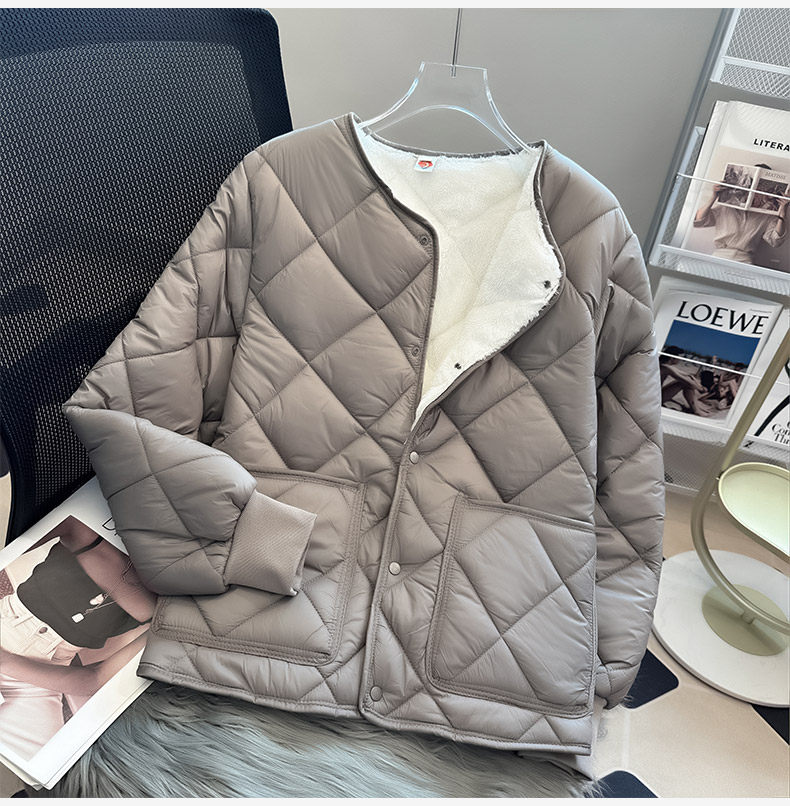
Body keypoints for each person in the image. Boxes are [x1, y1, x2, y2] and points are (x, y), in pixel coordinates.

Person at [0, 516, 156, 761]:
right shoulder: (86, 534)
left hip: (38, 670)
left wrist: (6, 663)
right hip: (18, 638)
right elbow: (95, 679)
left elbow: (95, 679)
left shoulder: (164, 613)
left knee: (41, 758)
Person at [693, 162, 788, 264]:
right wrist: (714, 196)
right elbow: (699, 221)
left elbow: (775, 241)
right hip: (719, 256)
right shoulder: (727, 206)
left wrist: (782, 212)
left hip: (745, 260)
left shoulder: (767, 215)